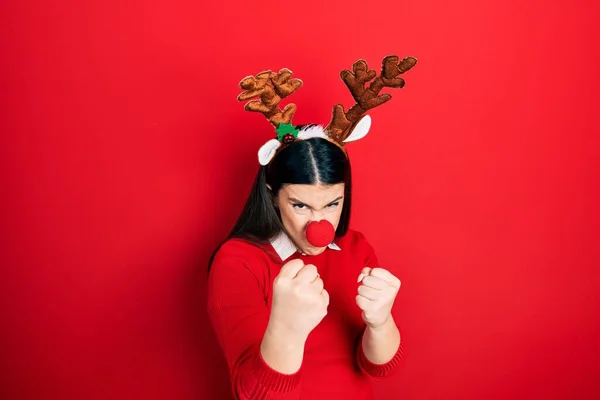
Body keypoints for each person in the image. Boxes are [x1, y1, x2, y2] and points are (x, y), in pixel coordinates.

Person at [207, 55, 417, 400]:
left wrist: (381, 322)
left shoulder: (356, 247)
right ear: (273, 196)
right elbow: (254, 394)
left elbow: (380, 366)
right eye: (301, 205)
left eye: (332, 204)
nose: (320, 224)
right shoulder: (237, 261)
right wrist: (288, 328)